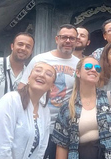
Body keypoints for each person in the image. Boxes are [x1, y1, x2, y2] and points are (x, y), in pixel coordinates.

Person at [52, 57, 111, 159]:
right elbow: (62, 145)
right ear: (78, 72)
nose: (93, 70)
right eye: (88, 67)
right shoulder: (66, 108)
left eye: (97, 68)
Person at [19, 24, 80, 159]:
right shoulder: (40, 59)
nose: (68, 41)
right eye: (64, 37)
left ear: (76, 41)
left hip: (63, 127)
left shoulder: (79, 64)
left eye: (72, 38)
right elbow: (22, 88)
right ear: (56, 39)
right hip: (34, 123)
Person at [0, 62, 57, 159]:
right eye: (38, 70)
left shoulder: (45, 112)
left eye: (48, 74)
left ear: (52, 87)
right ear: (28, 78)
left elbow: (41, 150)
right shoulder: (11, 100)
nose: (41, 74)